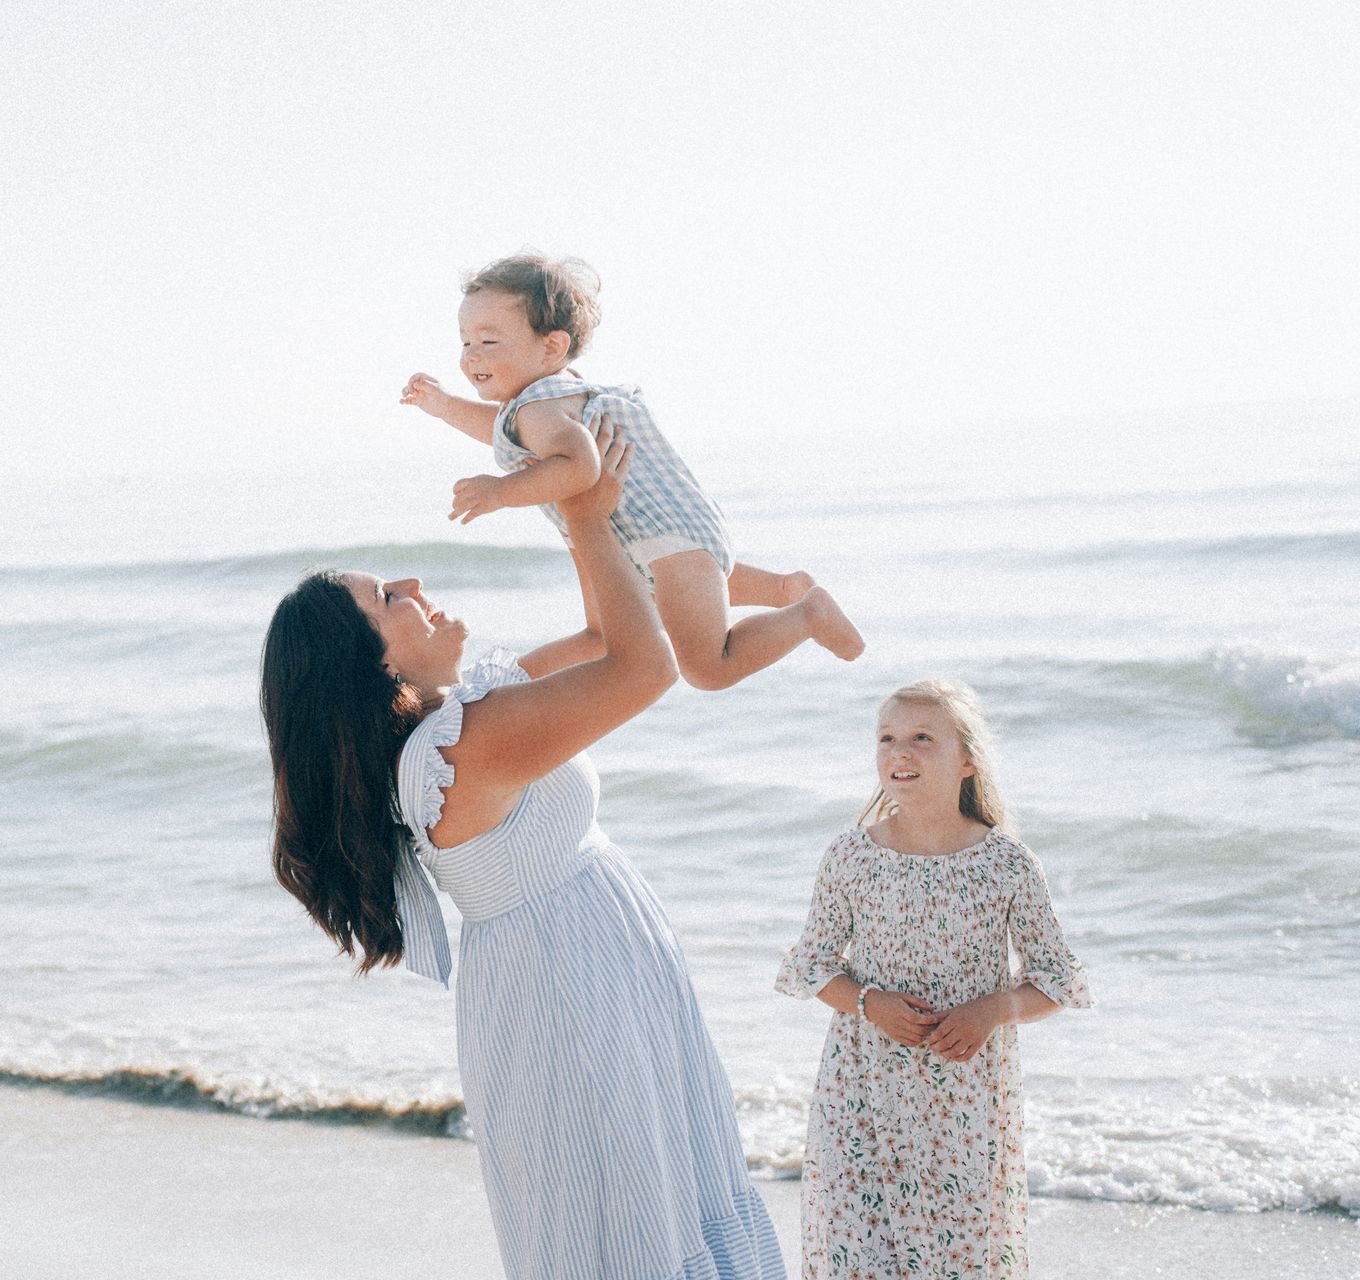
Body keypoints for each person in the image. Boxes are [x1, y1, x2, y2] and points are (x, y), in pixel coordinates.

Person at [260, 424, 784, 1280]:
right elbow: (644, 670)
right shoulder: (458, 750)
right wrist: (583, 516)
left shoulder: (462, 716)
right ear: (374, 664)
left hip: (583, 967)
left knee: (643, 1197)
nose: (417, 584)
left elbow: (607, 631)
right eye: (390, 595)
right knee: (624, 1215)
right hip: (569, 988)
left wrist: (580, 498)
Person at [401, 251, 863, 690]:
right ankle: (784, 588)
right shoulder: (540, 403)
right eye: (465, 341)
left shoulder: (539, 406)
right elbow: (505, 432)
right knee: (603, 635)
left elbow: (580, 465)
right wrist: (443, 406)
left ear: (552, 346)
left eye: (488, 340)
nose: (471, 355)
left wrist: (501, 491)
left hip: (661, 541)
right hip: (664, 537)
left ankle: (807, 614)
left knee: (707, 667)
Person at [775, 680, 1092, 1279]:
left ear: (968, 760)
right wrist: (869, 1003)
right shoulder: (851, 855)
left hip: (961, 1104)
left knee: (952, 1261)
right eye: (887, 738)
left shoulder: (1006, 864)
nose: (901, 752)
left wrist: (993, 1009)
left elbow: (1056, 980)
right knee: (857, 1258)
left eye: (923, 738)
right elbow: (811, 966)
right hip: (859, 1094)